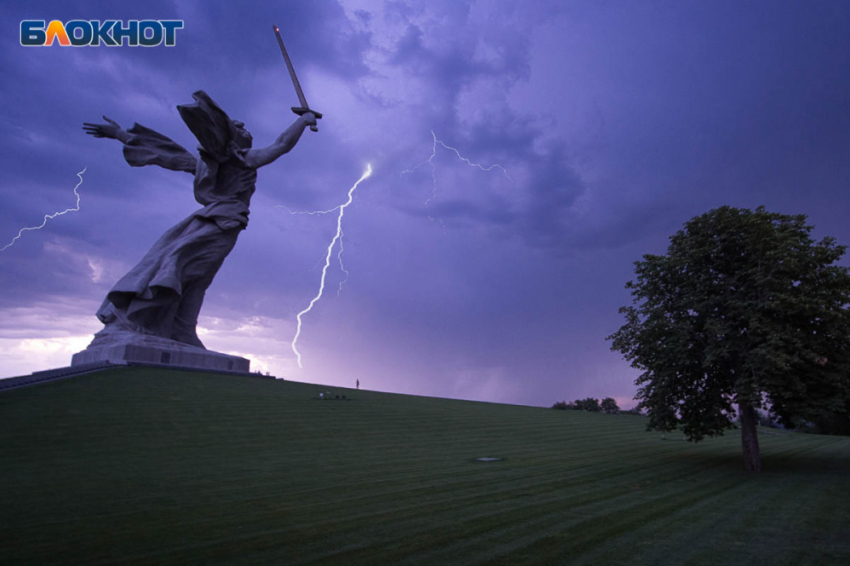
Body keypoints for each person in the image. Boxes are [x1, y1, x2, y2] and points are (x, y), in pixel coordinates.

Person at [83, 91, 318, 348]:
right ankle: (152, 322)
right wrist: (303, 121)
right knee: (187, 270)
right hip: (222, 222)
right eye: (239, 127)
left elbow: (168, 156)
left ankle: (181, 329)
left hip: (211, 221)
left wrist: (121, 135)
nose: (245, 130)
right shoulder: (243, 159)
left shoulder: (210, 162)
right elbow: (281, 144)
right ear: (230, 136)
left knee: (193, 275)